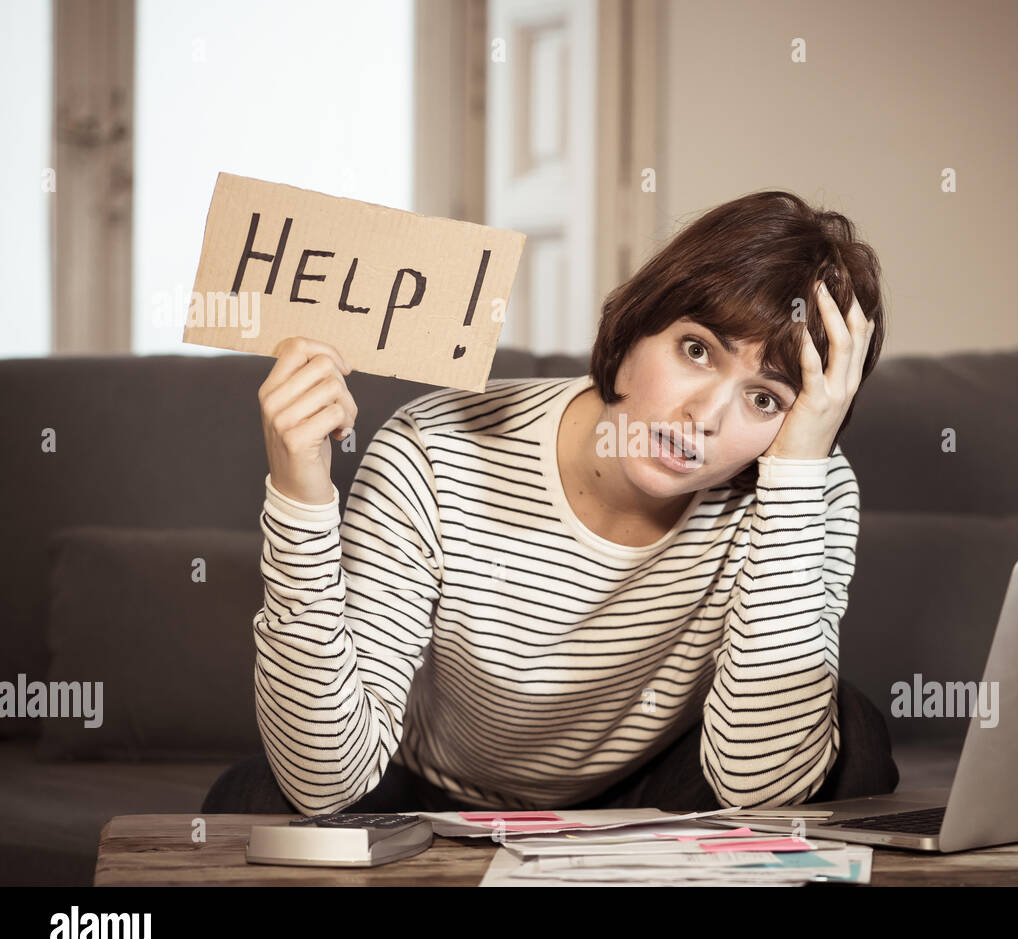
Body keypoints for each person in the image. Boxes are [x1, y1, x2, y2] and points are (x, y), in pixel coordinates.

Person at [203, 189, 898, 816]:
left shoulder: (804, 479)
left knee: (848, 735)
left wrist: (800, 471)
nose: (707, 418)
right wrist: (300, 497)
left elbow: (762, 791)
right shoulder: (433, 449)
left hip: (652, 787)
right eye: (696, 350)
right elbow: (326, 780)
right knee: (257, 801)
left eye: (764, 398)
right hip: (425, 787)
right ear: (635, 328)